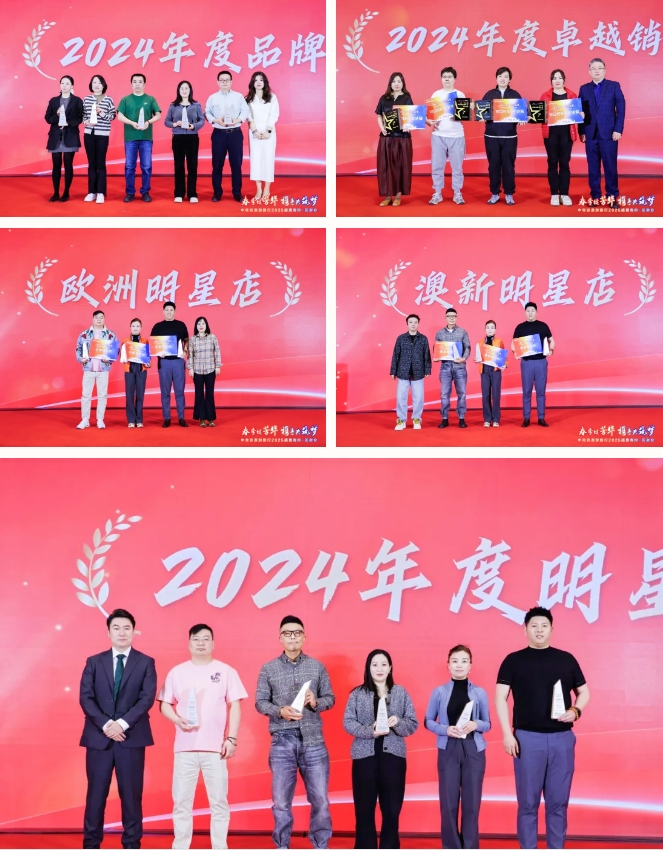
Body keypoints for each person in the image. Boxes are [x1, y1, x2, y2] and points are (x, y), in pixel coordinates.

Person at [495, 607, 590, 849]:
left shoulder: (566, 659)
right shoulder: (513, 660)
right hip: (527, 740)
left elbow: (584, 692)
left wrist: (576, 711)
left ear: (552, 629)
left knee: (558, 804)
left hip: (561, 739)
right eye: (534, 626)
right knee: (528, 804)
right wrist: (507, 734)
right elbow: (500, 698)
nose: (539, 630)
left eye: (544, 626)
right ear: (525, 629)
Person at [157, 624, 248, 850]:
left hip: (215, 750)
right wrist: (177, 719)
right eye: (196, 639)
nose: (201, 643)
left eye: (206, 639)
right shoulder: (177, 672)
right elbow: (164, 704)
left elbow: (235, 705)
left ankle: (219, 846)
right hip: (184, 749)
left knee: (219, 803)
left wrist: (232, 738)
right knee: (181, 803)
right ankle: (180, 846)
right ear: (189, 643)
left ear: (213, 644)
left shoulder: (226, 671)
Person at [79, 608, 157, 850]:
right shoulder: (94, 661)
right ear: (108, 632)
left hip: (131, 738)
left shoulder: (146, 662)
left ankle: (132, 844)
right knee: (95, 796)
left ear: (134, 631)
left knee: (132, 796)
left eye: (126, 628)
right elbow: (86, 698)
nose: (122, 633)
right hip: (98, 738)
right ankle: (91, 844)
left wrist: (121, 724)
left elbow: (146, 698)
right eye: (116, 628)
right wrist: (106, 725)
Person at [255, 616, 335, 850]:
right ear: (280, 638)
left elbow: (330, 698)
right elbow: (260, 702)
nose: (293, 637)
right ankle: (282, 845)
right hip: (282, 741)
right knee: (281, 802)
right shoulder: (268, 668)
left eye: (297, 632)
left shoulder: (317, 667)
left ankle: (321, 844)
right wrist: (279, 711)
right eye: (287, 633)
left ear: (304, 637)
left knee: (320, 800)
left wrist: (316, 702)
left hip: (313, 741)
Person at [343, 649, 418, 849]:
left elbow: (412, 724)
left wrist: (397, 722)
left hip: (393, 759)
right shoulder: (357, 694)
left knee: (392, 810)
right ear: (368, 668)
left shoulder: (400, 693)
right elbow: (348, 723)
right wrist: (371, 731)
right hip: (364, 758)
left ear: (390, 668)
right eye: (375, 664)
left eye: (384, 664)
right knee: (364, 811)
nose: (379, 668)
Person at [425, 645, 491, 850]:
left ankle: (470, 846)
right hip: (448, 748)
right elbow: (428, 721)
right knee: (448, 803)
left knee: (472, 804)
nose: (459, 665)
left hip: (473, 749)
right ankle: (451, 846)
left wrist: (476, 724)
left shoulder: (480, 692)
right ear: (448, 665)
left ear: (470, 666)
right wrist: (445, 729)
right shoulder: (439, 692)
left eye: (464, 661)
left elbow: (487, 723)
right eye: (455, 661)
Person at [578, 57, 626, 205]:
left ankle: (612, 197)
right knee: (593, 168)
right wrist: (582, 131)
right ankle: (595, 196)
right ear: (589, 72)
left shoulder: (614, 86)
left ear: (604, 71)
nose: (596, 71)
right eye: (593, 68)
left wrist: (618, 129)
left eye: (599, 68)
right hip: (590, 134)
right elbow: (580, 111)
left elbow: (621, 109)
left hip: (609, 134)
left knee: (610, 167)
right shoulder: (584, 89)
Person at [481, 67, 525, 205]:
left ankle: (509, 193)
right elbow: (482, 112)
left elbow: (521, 114)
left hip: (509, 136)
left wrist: (522, 119)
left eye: (506, 76)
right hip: (491, 136)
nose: (503, 79)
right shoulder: (489, 94)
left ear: (509, 79)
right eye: (500, 76)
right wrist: (481, 116)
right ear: (496, 78)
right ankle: (494, 193)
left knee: (508, 166)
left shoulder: (515, 95)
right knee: (493, 165)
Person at [205, 71, 250, 202]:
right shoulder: (212, 97)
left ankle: (237, 193)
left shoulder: (239, 96)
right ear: (218, 82)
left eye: (227, 80)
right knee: (217, 165)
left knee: (236, 164)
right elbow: (207, 112)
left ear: (231, 82)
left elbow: (245, 111)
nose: (224, 82)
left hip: (235, 133)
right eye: (222, 80)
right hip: (219, 134)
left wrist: (238, 120)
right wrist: (216, 120)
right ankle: (217, 193)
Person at [117, 73, 161, 203]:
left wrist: (148, 122)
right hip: (130, 137)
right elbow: (120, 116)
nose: (137, 84)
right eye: (135, 82)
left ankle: (145, 192)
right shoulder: (125, 99)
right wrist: (131, 123)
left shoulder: (150, 99)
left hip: (146, 137)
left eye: (140, 82)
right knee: (130, 167)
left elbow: (158, 115)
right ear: (131, 84)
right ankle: (130, 192)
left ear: (144, 84)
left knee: (146, 166)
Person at [427, 67, 466, 205]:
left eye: (449, 76)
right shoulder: (436, 95)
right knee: (437, 166)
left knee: (457, 167)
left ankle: (457, 193)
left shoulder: (460, 94)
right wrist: (429, 121)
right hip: (438, 135)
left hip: (457, 135)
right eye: (444, 77)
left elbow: (464, 115)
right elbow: (430, 116)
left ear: (454, 79)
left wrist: (467, 110)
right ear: (441, 79)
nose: (447, 79)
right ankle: (437, 193)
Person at [512, 302, 554, 428]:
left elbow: (552, 340)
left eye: (532, 311)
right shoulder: (520, 327)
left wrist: (551, 350)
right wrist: (515, 352)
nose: (530, 313)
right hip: (527, 363)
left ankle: (541, 418)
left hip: (541, 362)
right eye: (528, 311)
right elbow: (513, 343)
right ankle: (526, 418)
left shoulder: (543, 326)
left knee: (541, 391)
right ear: (525, 312)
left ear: (536, 312)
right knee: (526, 391)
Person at [540, 70, 578, 207]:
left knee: (564, 164)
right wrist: (534, 115)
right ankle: (554, 194)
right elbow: (540, 115)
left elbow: (576, 114)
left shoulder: (572, 95)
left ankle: (565, 194)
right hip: (550, 135)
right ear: (551, 80)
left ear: (564, 80)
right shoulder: (545, 96)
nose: (557, 80)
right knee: (552, 163)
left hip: (566, 135)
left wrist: (580, 114)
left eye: (560, 78)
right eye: (554, 78)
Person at [375, 72, 414, 207]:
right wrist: (382, 128)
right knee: (385, 166)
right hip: (387, 137)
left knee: (400, 166)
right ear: (390, 83)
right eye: (394, 81)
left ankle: (397, 196)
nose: (396, 84)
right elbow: (379, 115)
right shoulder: (384, 98)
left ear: (403, 83)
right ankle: (387, 196)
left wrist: (408, 126)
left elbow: (412, 117)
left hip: (402, 138)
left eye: (399, 81)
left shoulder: (407, 98)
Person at [75, 309, 118, 430]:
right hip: (88, 368)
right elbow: (78, 348)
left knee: (102, 395)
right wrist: (81, 358)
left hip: (103, 369)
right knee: (86, 395)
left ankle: (100, 420)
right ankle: (85, 420)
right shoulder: (85, 334)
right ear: (93, 319)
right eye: (97, 317)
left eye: (101, 317)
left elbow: (115, 351)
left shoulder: (110, 334)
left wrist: (109, 359)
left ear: (104, 319)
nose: (99, 319)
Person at [164, 81, 205, 203]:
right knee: (178, 166)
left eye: (186, 88)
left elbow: (202, 120)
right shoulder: (173, 106)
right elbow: (166, 121)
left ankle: (192, 194)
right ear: (178, 90)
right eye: (182, 88)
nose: (184, 90)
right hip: (178, 138)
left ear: (190, 90)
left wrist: (193, 126)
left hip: (192, 138)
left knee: (192, 165)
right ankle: (179, 193)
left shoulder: (196, 105)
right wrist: (174, 124)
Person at [45, 74, 83, 202]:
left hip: (70, 137)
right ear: (60, 85)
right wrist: (57, 116)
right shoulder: (53, 101)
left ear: (72, 86)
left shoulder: (77, 101)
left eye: (67, 83)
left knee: (68, 165)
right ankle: (56, 193)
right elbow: (47, 118)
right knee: (56, 165)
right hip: (56, 138)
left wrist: (68, 123)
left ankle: (66, 192)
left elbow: (79, 118)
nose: (64, 86)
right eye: (62, 83)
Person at [150, 301, 189, 428]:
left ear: (175, 311)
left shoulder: (181, 325)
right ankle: (166, 418)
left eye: (171, 310)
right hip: (164, 362)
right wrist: (158, 352)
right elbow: (153, 345)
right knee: (165, 392)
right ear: (163, 312)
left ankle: (181, 417)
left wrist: (185, 350)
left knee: (180, 391)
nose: (169, 312)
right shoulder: (157, 327)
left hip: (178, 362)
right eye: (166, 310)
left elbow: (186, 340)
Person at [390, 313, 432, 431]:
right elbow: (396, 355)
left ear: (418, 324)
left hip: (418, 373)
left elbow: (427, 355)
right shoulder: (401, 338)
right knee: (401, 397)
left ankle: (416, 419)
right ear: (407, 324)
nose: (413, 324)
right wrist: (393, 371)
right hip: (403, 372)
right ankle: (401, 420)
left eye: (415, 322)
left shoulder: (423, 339)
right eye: (411, 322)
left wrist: (427, 370)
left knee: (418, 398)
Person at [82, 74, 117, 204]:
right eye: (94, 82)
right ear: (91, 85)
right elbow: (82, 115)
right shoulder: (86, 99)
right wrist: (86, 122)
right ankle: (91, 192)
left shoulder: (108, 100)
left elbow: (112, 116)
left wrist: (102, 112)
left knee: (101, 163)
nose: (96, 85)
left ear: (103, 85)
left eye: (99, 83)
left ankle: (101, 192)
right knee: (91, 163)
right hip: (89, 134)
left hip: (102, 135)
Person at [434, 308, 470, 429]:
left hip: (459, 367)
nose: (451, 318)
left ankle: (461, 418)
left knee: (462, 393)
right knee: (444, 394)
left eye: (453, 316)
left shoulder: (462, 332)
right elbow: (437, 349)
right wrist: (437, 357)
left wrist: (463, 358)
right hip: (445, 367)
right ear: (445, 318)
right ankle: (445, 418)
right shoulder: (439, 333)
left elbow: (467, 347)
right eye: (449, 316)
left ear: (457, 318)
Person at [246, 72, 280, 200]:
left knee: (268, 159)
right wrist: (255, 131)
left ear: (265, 82)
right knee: (256, 160)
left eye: (261, 80)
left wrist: (268, 131)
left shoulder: (272, 97)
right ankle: (259, 189)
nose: (258, 82)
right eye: (256, 80)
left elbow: (274, 115)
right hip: (254, 132)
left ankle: (267, 189)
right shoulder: (248, 98)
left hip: (268, 131)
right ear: (252, 83)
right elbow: (249, 117)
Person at [188, 316, 221, 427]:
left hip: (210, 369)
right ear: (196, 326)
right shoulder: (193, 339)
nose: (201, 326)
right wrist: (190, 368)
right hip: (197, 370)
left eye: (203, 323)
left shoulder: (212, 337)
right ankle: (202, 418)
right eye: (199, 324)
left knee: (210, 393)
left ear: (206, 325)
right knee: (199, 394)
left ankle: (210, 418)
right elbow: (190, 355)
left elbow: (217, 352)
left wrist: (218, 366)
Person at [474, 319, 506, 427]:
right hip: (484, 370)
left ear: (495, 329)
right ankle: (487, 419)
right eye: (488, 327)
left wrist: (505, 364)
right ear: (485, 329)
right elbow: (478, 357)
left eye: (492, 327)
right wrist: (476, 359)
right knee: (485, 395)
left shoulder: (499, 341)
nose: (490, 329)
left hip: (495, 370)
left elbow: (503, 357)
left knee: (496, 395)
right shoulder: (480, 343)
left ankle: (496, 419)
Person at [122, 318, 150, 428]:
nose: (135, 328)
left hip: (141, 369)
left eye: (137, 326)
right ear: (130, 327)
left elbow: (148, 356)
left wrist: (148, 363)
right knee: (129, 395)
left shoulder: (145, 341)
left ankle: (139, 420)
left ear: (141, 328)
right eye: (133, 326)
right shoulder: (125, 341)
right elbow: (122, 356)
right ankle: (130, 420)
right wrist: (123, 359)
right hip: (129, 369)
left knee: (140, 395)